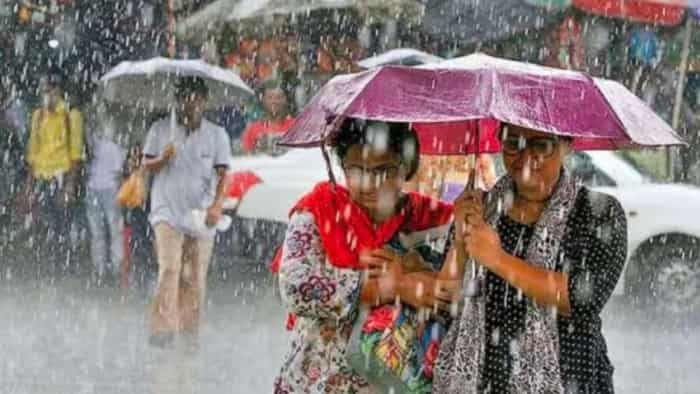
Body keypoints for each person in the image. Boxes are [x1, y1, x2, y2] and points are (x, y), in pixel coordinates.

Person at [433, 124, 628, 394]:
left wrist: (497, 259)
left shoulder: (599, 213)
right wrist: (460, 240)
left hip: (569, 379)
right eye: (513, 143)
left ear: (567, 144)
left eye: (541, 145)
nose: (525, 158)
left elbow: (583, 299)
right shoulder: (481, 210)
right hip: (486, 380)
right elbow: (445, 303)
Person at [273, 119, 454, 393]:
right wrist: (394, 288)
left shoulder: (427, 220)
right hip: (320, 379)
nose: (370, 183)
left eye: (384, 170)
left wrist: (419, 272)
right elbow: (297, 288)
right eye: (357, 169)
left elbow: (454, 288)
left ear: (406, 167)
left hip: (393, 381)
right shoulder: (319, 212)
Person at [143, 76, 231, 348]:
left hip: (202, 214)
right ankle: (162, 329)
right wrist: (163, 159)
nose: (190, 104)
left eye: (196, 98)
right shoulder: (160, 129)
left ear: (204, 102)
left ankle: (189, 328)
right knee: (169, 268)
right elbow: (146, 165)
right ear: (177, 101)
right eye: (185, 98)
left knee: (194, 276)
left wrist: (217, 206)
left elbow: (224, 174)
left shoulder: (217, 135)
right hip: (166, 210)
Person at [25, 70, 84, 275]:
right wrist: (29, 188)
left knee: (62, 226)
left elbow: (76, 154)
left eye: (49, 91)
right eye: (43, 91)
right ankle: (44, 267)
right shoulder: (38, 116)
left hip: (61, 178)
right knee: (40, 225)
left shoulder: (71, 115)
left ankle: (62, 267)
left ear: (58, 90)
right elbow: (33, 152)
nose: (45, 95)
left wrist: (69, 185)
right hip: (41, 179)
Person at [85, 106, 126, 285]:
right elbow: (118, 172)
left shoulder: (95, 144)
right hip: (107, 189)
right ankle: (112, 269)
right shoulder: (116, 147)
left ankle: (101, 269)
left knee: (100, 232)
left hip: (97, 189)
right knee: (112, 231)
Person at [239, 79, 295, 154]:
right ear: (263, 100)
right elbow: (246, 158)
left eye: (279, 97)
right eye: (270, 97)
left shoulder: (297, 126)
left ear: (286, 100)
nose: (274, 101)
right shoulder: (251, 130)